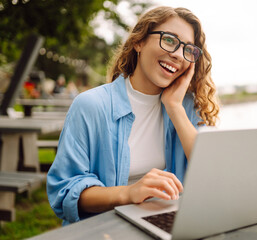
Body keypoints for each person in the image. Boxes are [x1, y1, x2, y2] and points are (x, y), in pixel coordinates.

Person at [47, 6, 219, 225]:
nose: (177, 54)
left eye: (188, 49)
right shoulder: (91, 105)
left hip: (170, 225)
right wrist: (128, 193)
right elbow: (64, 191)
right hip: (105, 229)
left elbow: (211, 173)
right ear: (139, 42)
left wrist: (174, 107)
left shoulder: (186, 107)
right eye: (169, 40)